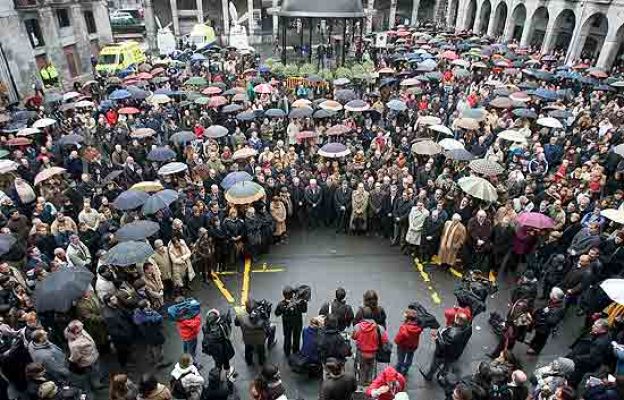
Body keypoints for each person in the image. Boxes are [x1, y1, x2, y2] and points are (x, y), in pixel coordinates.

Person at [421, 312, 472, 381]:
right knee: (447, 365)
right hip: (455, 353)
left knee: (435, 364)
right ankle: (442, 376)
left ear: (458, 320)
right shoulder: (468, 328)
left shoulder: (452, 333)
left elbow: (443, 345)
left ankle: (429, 376)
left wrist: (436, 338)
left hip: (443, 354)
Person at [352, 306, 389, 385]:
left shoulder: (358, 327)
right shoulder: (379, 328)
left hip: (361, 352)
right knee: (371, 368)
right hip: (373, 353)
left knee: (361, 368)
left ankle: (361, 383)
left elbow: (354, 337)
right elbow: (385, 340)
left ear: (362, 316)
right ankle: (370, 382)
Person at [64, 320, 102, 391]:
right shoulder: (74, 344)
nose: (82, 330)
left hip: (94, 356)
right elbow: (75, 357)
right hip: (87, 363)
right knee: (90, 374)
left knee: (96, 371)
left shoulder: (80, 331)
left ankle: (96, 382)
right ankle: (93, 386)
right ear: (75, 331)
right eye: (80, 329)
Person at [202, 308, 235, 379]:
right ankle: (228, 376)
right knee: (226, 363)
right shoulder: (222, 326)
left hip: (214, 351)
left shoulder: (205, 327)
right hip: (224, 348)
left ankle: (218, 376)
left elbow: (205, 340)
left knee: (217, 364)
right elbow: (228, 334)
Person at [133, 299, 167, 367]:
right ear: (145, 308)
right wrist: (157, 316)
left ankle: (150, 358)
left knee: (150, 346)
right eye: (148, 304)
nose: (150, 305)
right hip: (152, 334)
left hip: (149, 334)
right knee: (156, 348)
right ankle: (157, 362)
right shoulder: (146, 318)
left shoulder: (139, 313)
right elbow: (158, 318)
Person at [275, 285, 307, 357]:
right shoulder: (299, 302)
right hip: (297, 323)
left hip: (287, 324)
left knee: (287, 337)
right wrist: (304, 301)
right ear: (292, 294)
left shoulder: (281, 304)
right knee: (297, 337)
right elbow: (304, 310)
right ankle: (296, 351)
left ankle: (287, 351)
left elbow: (277, 313)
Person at [236, 299, 267, 366]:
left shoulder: (241, 315)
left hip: (247, 338)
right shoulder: (261, 315)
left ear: (246, 308)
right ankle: (261, 361)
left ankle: (249, 362)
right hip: (259, 339)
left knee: (248, 350)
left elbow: (236, 323)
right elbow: (266, 323)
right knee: (261, 350)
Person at [394, 308, 423, 376]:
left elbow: (399, 338)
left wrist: (396, 342)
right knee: (410, 357)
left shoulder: (404, 327)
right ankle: (406, 369)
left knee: (401, 357)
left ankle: (398, 368)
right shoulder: (418, 328)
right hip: (412, 345)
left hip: (402, 345)